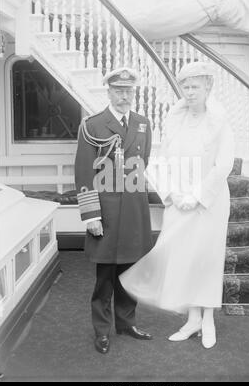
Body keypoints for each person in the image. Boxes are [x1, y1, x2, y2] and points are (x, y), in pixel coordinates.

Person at [120, 62, 235, 349]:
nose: (190, 91)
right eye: (185, 86)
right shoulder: (175, 119)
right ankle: (192, 319)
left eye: (195, 86)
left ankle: (207, 319)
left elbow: (223, 166)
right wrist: (172, 193)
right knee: (182, 258)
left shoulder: (220, 120)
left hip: (208, 202)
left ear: (208, 87)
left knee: (205, 260)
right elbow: (161, 161)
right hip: (178, 202)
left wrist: (195, 196)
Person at [74, 67, 153, 354]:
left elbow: (142, 164)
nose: (124, 96)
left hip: (133, 212)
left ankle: (126, 323)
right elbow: (84, 173)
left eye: (128, 90)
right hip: (105, 215)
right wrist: (91, 215)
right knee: (104, 278)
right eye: (119, 90)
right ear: (108, 92)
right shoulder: (92, 125)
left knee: (130, 272)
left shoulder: (143, 123)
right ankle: (102, 330)